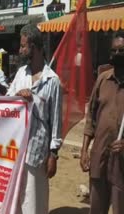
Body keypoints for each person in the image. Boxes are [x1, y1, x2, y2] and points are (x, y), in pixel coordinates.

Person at [6, 24, 62, 214]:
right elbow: (6, 101)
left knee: (34, 204)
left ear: (36, 47)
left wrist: (53, 155)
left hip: (37, 154)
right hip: (16, 151)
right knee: (16, 202)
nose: (20, 50)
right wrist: (17, 96)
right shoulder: (21, 73)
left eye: (23, 46)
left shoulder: (52, 81)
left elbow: (56, 121)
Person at [80, 31, 124, 214]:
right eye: (114, 51)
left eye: (121, 51)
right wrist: (84, 151)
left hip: (121, 164)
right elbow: (91, 118)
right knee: (97, 208)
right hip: (100, 157)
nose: (116, 55)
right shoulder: (102, 80)